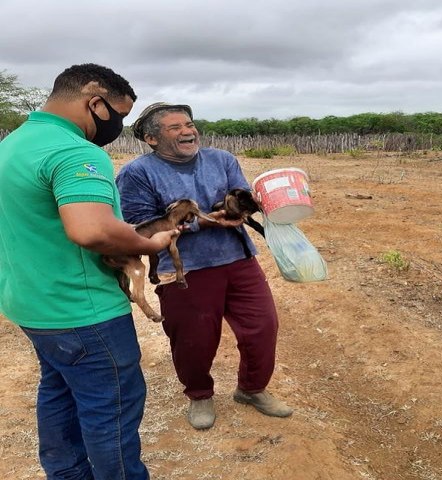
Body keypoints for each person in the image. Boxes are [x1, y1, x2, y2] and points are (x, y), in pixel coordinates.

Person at [0, 64, 179, 478]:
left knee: (59, 392)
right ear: (94, 101)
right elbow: (91, 228)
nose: (118, 124)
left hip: (31, 305)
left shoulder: (13, 145)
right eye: (118, 113)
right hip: (82, 311)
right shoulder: (74, 150)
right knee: (111, 411)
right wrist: (149, 243)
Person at [117, 102, 293, 430]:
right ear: (152, 138)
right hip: (185, 270)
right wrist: (204, 223)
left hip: (239, 260)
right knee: (193, 339)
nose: (188, 131)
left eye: (189, 124)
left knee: (262, 327)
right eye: (175, 128)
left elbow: (239, 200)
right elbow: (141, 225)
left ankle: (252, 390)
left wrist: (256, 203)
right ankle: (199, 395)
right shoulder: (136, 173)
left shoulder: (222, 160)